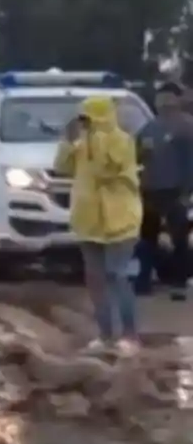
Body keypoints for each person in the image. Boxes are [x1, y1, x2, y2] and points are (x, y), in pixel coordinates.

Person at [54, 97, 142, 355]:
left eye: (87, 118)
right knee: (95, 279)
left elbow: (108, 169)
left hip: (119, 221)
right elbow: (61, 167)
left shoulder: (121, 140)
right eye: (81, 118)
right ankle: (105, 335)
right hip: (88, 221)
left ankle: (130, 336)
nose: (84, 123)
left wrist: (95, 137)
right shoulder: (81, 144)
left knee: (117, 275)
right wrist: (68, 141)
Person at [135, 81, 193, 299]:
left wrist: (187, 192)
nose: (163, 102)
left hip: (176, 191)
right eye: (161, 98)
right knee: (147, 237)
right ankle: (144, 279)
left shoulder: (187, 126)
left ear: (177, 100)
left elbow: (191, 161)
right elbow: (137, 156)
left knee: (179, 237)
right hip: (149, 190)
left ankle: (180, 281)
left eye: (168, 97)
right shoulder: (150, 127)